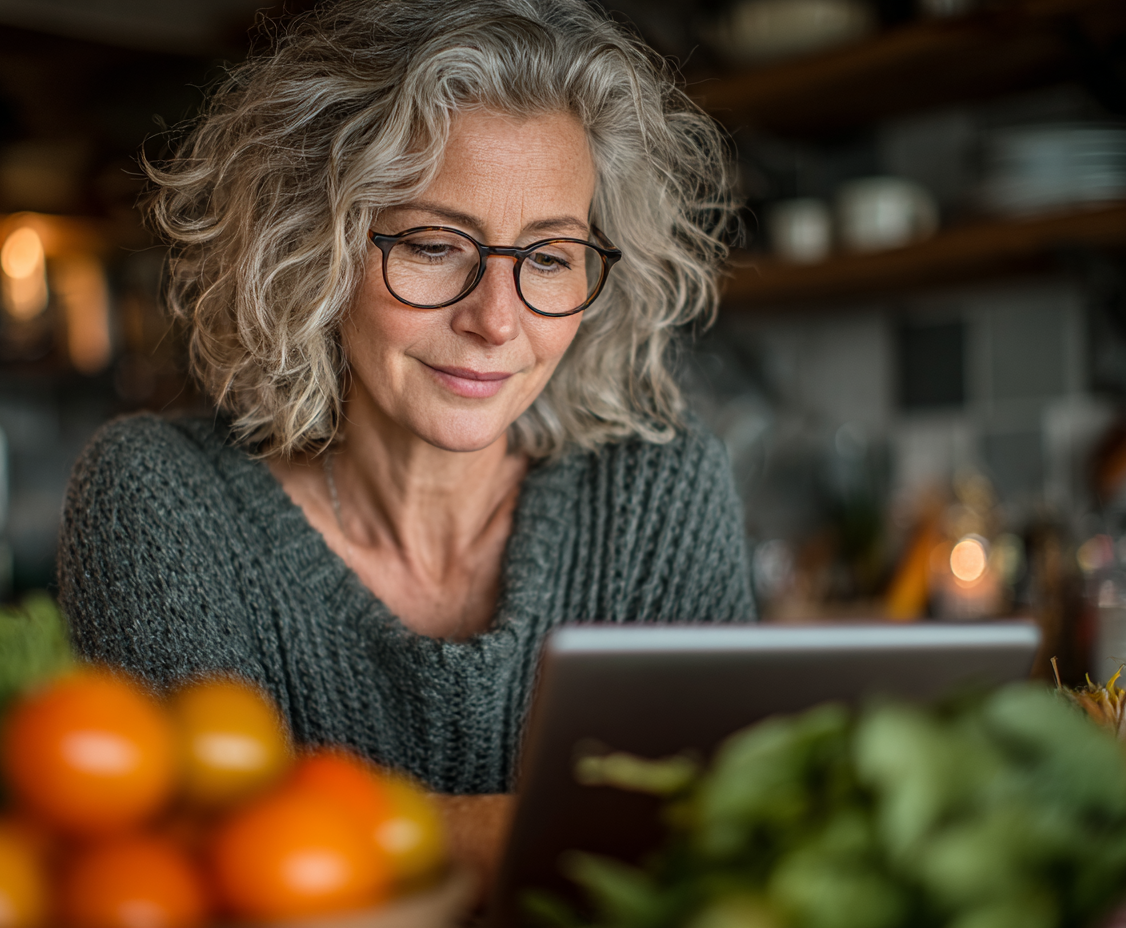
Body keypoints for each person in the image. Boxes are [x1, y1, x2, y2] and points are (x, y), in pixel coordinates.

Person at [58, 0, 754, 888]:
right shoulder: (159, 498)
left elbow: (725, 844)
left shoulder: (661, 487)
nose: (497, 320)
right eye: (433, 243)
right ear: (314, 245)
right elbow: (190, 867)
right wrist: (580, 829)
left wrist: (322, 823)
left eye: (548, 258)